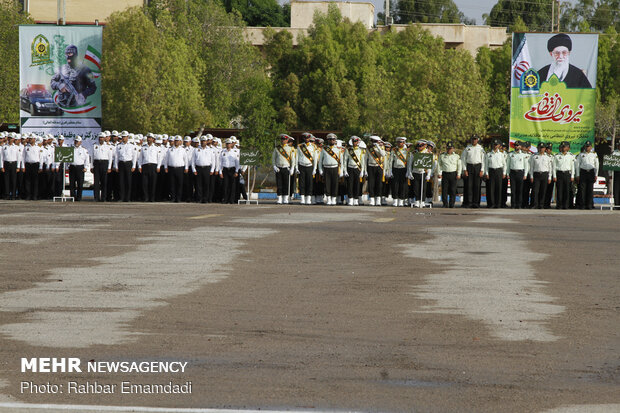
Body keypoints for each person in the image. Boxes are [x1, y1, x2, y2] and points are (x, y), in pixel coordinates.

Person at [317, 133, 342, 206]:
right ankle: (328, 199)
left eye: (333, 139)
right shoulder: (324, 149)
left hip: (335, 168)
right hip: (326, 168)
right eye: (330, 139)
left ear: (335, 140)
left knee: (335, 184)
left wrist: (342, 170)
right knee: (327, 184)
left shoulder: (338, 149)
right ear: (328, 140)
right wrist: (320, 170)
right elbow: (320, 161)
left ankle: (333, 199)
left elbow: (341, 161)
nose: (332, 141)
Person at [461, 135, 485, 208]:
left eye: (475, 139)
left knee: (477, 186)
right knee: (469, 186)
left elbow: (483, 160)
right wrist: (465, 169)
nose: (474, 141)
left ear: (477, 140)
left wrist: (482, 170)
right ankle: (469, 202)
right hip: (469, 167)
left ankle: (476, 203)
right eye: (473, 139)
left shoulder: (481, 148)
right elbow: (463, 159)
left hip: (478, 167)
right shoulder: (467, 148)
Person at [138, 133, 163, 202]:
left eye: (150, 138)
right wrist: (139, 166)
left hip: (153, 166)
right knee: (144, 183)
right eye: (148, 138)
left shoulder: (156, 147)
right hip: (145, 165)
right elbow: (140, 158)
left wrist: (158, 166)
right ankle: (146, 197)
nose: (149, 139)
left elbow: (159, 158)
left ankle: (152, 198)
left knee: (153, 183)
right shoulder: (143, 147)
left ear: (153, 139)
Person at [272, 134, 296, 205]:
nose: (283, 141)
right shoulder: (277, 148)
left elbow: (293, 160)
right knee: (279, 184)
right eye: (282, 139)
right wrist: (274, 166)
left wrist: (292, 168)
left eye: (285, 139)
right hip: (279, 168)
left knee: (286, 184)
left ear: (287, 140)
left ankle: (285, 198)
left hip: (286, 168)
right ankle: (279, 198)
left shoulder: (290, 148)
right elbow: (273, 158)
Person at [114, 131, 138, 202]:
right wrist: (116, 166)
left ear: (127, 137)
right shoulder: (118, 146)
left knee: (128, 181)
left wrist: (133, 166)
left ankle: (128, 198)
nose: (123, 138)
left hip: (128, 163)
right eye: (123, 137)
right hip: (121, 164)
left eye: (125, 137)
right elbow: (116, 157)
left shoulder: (131, 146)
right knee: (121, 181)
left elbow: (134, 157)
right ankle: (121, 197)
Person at [436, 141, 461, 208]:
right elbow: (439, 165)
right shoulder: (442, 156)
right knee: (444, 190)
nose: (449, 150)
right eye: (448, 148)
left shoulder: (456, 156)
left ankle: (452, 204)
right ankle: (445, 204)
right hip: (445, 173)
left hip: (453, 173)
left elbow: (459, 165)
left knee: (453, 190)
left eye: (451, 148)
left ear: (453, 149)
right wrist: (439, 173)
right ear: (446, 148)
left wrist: (459, 174)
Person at [191, 135, 215, 204]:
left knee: (206, 184)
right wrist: (194, 170)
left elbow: (213, 161)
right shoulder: (196, 150)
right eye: (202, 141)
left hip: (207, 168)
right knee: (198, 185)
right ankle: (199, 198)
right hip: (198, 168)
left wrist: (212, 170)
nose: (203, 142)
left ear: (206, 142)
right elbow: (193, 161)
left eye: (204, 141)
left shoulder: (210, 150)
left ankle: (205, 199)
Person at [575, 140, 599, 210]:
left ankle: (589, 205)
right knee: (582, 190)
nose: (587, 148)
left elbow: (597, 165)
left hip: (591, 172)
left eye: (588, 146)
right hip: (583, 172)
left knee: (590, 189)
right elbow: (577, 165)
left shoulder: (594, 154)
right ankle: (582, 205)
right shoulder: (581, 154)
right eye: (586, 146)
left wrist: (596, 174)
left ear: (591, 147)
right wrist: (577, 175)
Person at [343, 136, 366, 206]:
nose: (354, 143)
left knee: (357, 184)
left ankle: (356, 199)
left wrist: (362, 171)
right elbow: (345, 160)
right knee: (350, 184)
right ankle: (350, 199)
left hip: (357, 169)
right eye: (353, 141)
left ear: (358, 142)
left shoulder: (361, 150)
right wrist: (345, 170)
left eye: (356, 141)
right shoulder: (348, 150)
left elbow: (362, 161)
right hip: (350, 168)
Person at [165, 136, 188, 203]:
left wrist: (186, 167)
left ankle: (178, 198)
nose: (176, 142)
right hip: (171, 168)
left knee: (179, 184)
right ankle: (173, 197)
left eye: (178, 141)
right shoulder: (170, 149)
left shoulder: (183, 150)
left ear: (180, 142)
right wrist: (166, 167)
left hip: (180, 168)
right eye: (175, 140)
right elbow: (166, 159)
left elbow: (185, 159)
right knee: (172, 184)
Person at [296, 132, 318, 205]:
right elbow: (297, 158)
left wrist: (315, 169)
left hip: (309, 166)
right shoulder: (300, 146)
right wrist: (296, 167)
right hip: (301, 166)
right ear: (303, 138)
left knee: (309, 183)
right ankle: (302, 198)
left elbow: (315, 158)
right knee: (301, 183)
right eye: (305, 138)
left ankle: (308, 198)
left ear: (310, 138)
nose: (306, 139)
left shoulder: (314, 147)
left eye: (308, 138)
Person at [529, 142, 552, 209]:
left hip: (545, 174)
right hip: (536, 174)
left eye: (542, 148)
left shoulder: (547, 157)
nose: (541, 149)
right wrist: (531, 176)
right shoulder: (534, 156)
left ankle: (541, 204)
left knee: (543, 190)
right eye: (539, 148)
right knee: (535, 191)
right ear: (537, 148)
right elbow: (531, 167)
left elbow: (550, 167)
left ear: (545, 149)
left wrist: (550, 177)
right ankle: (535, 204)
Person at [484, 140, 507, 208]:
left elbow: (504, 164)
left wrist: (504, 173)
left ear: (498, 146)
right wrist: (487, 173)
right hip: (491, 171)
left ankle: (498, 204)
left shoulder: (501, 154)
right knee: (491, 188)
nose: (495, 146)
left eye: (496, 144)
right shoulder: (488, 154)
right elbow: (486, 164)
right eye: (494, 144)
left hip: (499, 171)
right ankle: (491, 204)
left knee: (499, 188)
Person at [91, 132, 113, 202]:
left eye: (102, 137)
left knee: (104, 181)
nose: (101, 139)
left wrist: (109, 167)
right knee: (96, 182)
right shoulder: (94, 146)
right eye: (100, 137)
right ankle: (96, 197)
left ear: (104, 138)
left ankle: (103, 197)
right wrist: (92, 166)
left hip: (104, 163)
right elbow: (92, 157)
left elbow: (110, 157)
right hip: (97, 163)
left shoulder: (108, 146)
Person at [553, 141, 575, 210]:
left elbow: (572, 167)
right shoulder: (557, 156)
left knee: (567, 190)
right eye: (562, 147)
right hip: (559, 174)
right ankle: (559, 205)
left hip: (567, 174)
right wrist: (554, 176)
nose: (563, 148)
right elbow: (554, 167)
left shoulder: (571, 156)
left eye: (565, 147)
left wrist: (572, 176)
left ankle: (566, 205)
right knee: (559, 190)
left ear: (568, 148)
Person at [507, 141, 529, 209]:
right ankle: (513, 204)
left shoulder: (523, 155)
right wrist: (508, 173)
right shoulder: (510, 154)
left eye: (517, 145)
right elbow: (508, 165)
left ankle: (519, 204)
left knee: (520, 190)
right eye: (515, 145)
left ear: (520, 146)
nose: (516, 146)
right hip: (513, 173)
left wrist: (525, 174)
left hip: (520, 173)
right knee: (513, 190)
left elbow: (526, 166)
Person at [218, 138, 240, 204]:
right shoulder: (223, 152)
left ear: (231, 144)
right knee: (225, 185)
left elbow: (237, 163)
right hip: (225, 170)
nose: (228, 145)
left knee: (232, 186)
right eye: (227, 143)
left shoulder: (234, 152)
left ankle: (231, 200)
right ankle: (225, 199)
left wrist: (236, 171)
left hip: (232, 169)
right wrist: (220, 172)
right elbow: (220, 163)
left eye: (229, 143)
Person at [365, 136, 385, 206]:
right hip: (370, 166)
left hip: (379, 167)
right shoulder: (368, 148)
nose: (373, 143)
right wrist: (365, 170)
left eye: (375, 141)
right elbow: (365, 159)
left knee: (379, 184)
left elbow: (383, 154)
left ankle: (378, 200)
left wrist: (378, 147)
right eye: (373, 141)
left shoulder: (382, 147)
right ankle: (372, 199)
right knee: (371, 184)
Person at [69, 136, 90, 201]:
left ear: (80, 142)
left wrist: (86, 167)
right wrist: (67, 166)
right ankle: (73, 197)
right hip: (72, 167)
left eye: (78, 141)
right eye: (75, 141)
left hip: (80, 168)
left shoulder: (84, 150)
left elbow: (87, 159)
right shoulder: (70, 149)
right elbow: (66, 159)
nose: (76, 142)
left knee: (80, 184)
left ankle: (79, 197)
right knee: (72, 183)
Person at [2, 133, 20, 199]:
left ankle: (13, 195)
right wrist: (2, 166)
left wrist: (18, 166)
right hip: (6, 163)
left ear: (13, 139)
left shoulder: (16, 147)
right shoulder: (4, 147)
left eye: (11, 138)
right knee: (6, 180)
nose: (10, 139)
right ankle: (7, 194)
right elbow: (2, 157)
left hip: (13, 164)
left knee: (13, 180)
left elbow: (18, 157)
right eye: (9, 138)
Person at [612, 141, 620, 208]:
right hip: (617, 172)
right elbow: (610, 164)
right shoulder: (614, 153)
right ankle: (616, 204)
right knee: (616, 189)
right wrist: (610, 174)